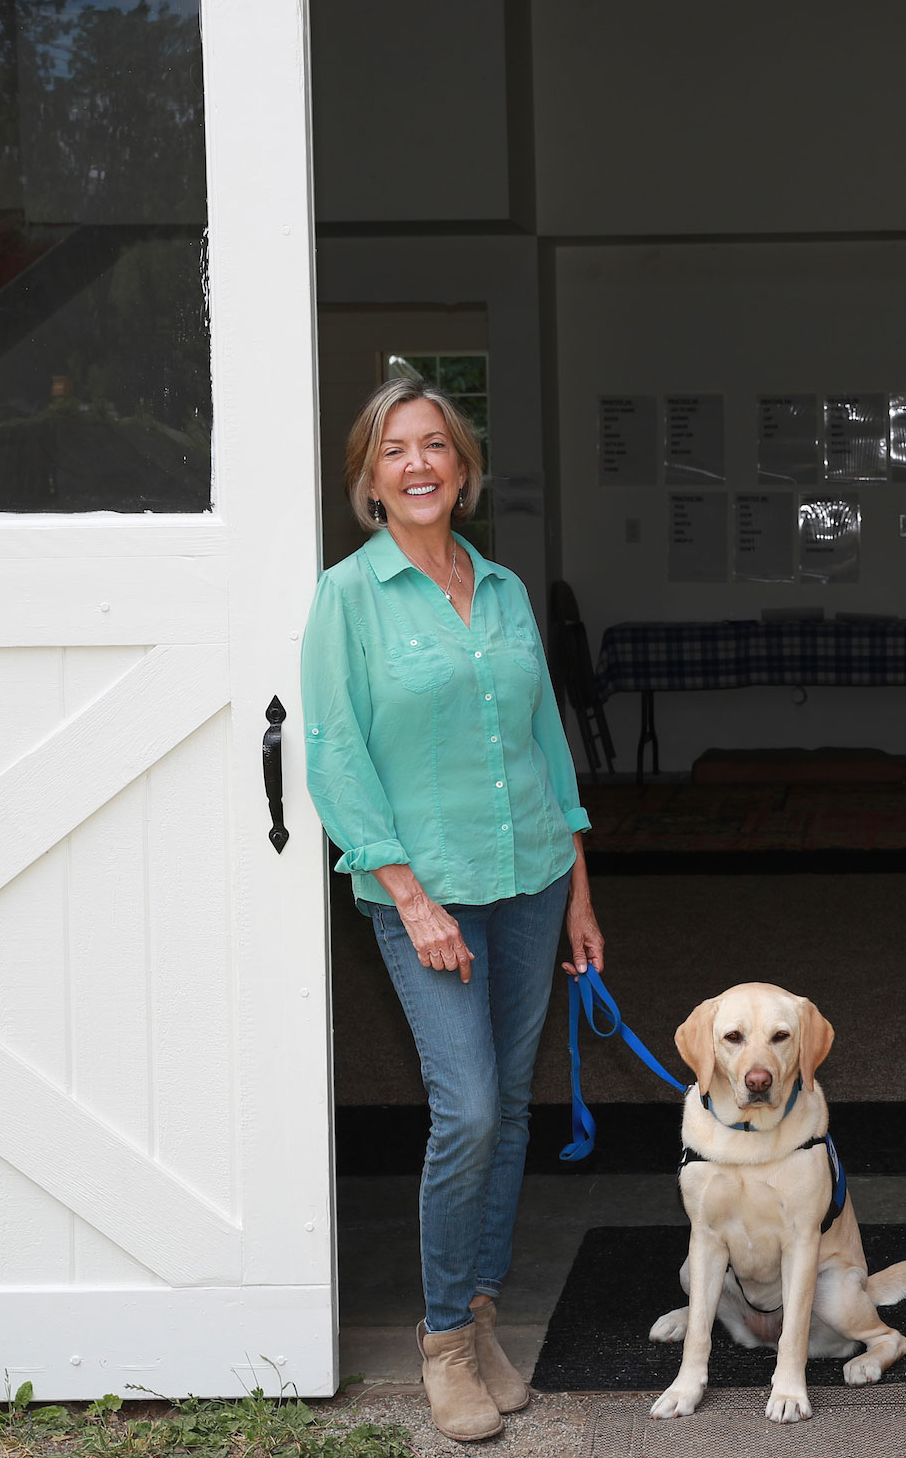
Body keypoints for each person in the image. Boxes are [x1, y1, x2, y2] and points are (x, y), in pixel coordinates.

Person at [301, 378, 604, 1443]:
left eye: (437, 445)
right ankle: (441, 1339)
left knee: (512, 1108)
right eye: (395, 450)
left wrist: (577, 887)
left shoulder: (506, 587)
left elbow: (545, 743)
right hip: (421, 891)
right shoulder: (350, 594)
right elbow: (334, 752)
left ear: (464, 469)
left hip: (528, 877)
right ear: (368, 479)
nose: (419, 463)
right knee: (467, 1108)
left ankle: (481, 1316)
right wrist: (408, 893)